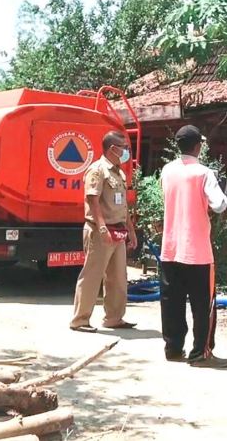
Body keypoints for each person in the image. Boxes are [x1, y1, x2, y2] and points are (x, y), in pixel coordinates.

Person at [159, 125, 227, 368]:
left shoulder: (167, 171)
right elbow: (219, 204)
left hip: (170, 247)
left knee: (172, 301)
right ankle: (200, 351)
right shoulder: (204, 173)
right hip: (198, 250)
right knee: (203, 305)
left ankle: (173, 347)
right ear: (198, 146)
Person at [70, 131, 138, 333]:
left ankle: (114, 318)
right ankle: (80, 320)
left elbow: (123, 205)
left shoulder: (119, 172)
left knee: (118, 277)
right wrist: (101, 228)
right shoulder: (97, 170)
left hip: (118, 230)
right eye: (123, 147)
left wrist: (131, 231)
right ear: (112, 149)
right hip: (101, 231)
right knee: (92, 275)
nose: (126, 151)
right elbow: (93, 200)